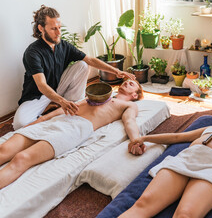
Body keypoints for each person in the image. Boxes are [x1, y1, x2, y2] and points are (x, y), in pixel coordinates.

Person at [0, 79, 143, 189]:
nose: (127, 82)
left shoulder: (127, 105)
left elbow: (129, 121)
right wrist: (37, 122)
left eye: (131, 84)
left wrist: (135, 140)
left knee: (22, 158)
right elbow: (63, 110)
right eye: (126, 81)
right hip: (59, 121)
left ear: (135, 94)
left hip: (76, 129)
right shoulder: (96, 95)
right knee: (4, 150)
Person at [13, 5, 135, 130]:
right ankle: (52, 106)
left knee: (82, 65)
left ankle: (72, 103)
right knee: (19, 124)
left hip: (58, 89)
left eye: (59, 28)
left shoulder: (63, 45)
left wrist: (116, 71)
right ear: (41, 28)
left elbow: (90, 60)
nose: (58, 33)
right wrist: (62, 101)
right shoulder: (33, 52)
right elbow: (42, 85)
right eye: (53, 29)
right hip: (39, 95)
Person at [121, 111, 212, 218]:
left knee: (185, 215)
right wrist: (144, 138)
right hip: (187, 159)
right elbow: (177, 137)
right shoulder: (210, 127)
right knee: (143, 203)